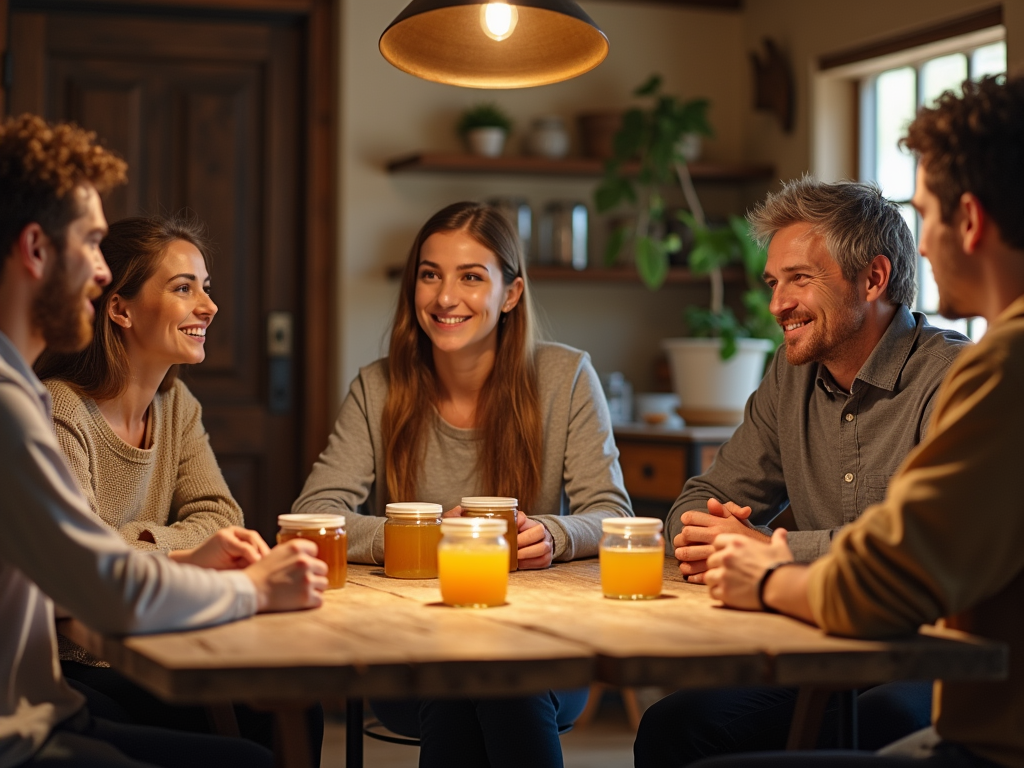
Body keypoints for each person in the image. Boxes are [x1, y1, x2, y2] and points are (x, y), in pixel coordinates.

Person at [698, 73, 1024, 768]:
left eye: (928, 212)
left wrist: (764, 567)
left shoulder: (997, 369)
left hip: (987, 742)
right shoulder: (791, 380)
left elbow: (889, 579)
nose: (925, 243)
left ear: (969, 220)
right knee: (686, 726)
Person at [0, 113, 327, 768]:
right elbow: (98, 582)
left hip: (47, 714)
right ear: (37, 250)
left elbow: (204, 524)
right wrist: (255, 589)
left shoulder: (26, 395)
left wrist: (172, 552)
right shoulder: (19, 406)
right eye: (92, 244)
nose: (100, 272)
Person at [634, 179, 971, 767]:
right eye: (774, 282)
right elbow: (701, 498)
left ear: (873, 279)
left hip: (928, 649)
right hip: (818, 639)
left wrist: (773, 552)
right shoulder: (789, 377)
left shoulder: (953, 379)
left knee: (882, 723)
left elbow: (930, 554)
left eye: (800, 279)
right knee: (675, 726)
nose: (776, 304)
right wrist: (707, 533)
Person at [292, 201, 632, 767]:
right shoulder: (379, 387)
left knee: (499, 677)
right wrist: (417, 533)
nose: (446, 297)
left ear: (511, 294)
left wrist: (552, 535)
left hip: (541, 647)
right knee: (466, 679)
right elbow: (315, 510)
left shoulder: (566, 376)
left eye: (471, 277)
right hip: (411, 654)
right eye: (430, 275)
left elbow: (612, 514)